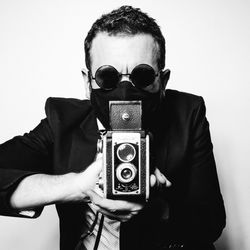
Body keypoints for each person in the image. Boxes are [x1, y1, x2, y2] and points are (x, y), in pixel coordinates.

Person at [0, 5, 226, 250]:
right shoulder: (62, 120)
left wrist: (158, 206)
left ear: (163, 82)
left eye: (143, 76)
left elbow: (210, 222)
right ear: (88, 83)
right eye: (107, 77)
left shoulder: (187, 113)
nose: (125, 92)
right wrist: (76, 186)